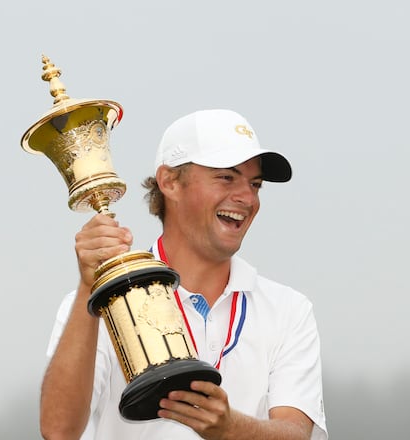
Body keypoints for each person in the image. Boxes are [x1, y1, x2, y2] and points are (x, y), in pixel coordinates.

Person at [40, 109, 328, 440]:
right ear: (169, 182)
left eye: (255, 184)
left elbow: (297, 434)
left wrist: (231, 428)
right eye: (226, 177)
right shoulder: (95, 307)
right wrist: (89, 286)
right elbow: (58, 431)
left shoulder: (289, 309)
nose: (247, 198)